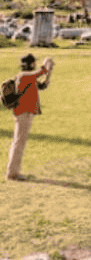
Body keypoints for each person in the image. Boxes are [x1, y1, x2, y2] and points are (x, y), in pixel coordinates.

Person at [7, 53, 53, 181]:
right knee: (19, 143)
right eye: (33, 62)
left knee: (20, 142)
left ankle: (14, 172)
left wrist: (47, 80)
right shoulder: (24, 76)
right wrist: (47, 64)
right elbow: (40, 72)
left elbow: (40, 86)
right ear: (30, 64)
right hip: (23, 113)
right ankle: (13, 173)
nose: (35, 64)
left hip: (27, 113)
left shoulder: (29, 77)